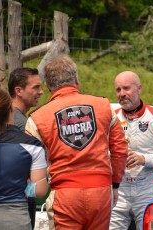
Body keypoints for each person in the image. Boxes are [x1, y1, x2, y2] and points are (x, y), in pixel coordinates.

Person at [25, 54, 128, 230]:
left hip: (64, 195)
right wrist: (115, 184)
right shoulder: (103, 106)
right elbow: (120, 149)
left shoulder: (37, 118)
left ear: (48, 86)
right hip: (101, 191)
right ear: (76, 80)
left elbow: (29, 162)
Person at [110, 71, 153, 230]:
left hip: (147, 189)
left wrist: (143, 159)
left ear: (139, 89)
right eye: (118, 90)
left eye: (126, 88)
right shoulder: (111, 118)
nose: (121, 94)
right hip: (118, 189)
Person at [0, 87, 48, 230]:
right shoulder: (31, 145)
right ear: (11, 109)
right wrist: (20, 187)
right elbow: (39, 190)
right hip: (15, 219)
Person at [8, 67, 44, 229]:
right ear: (19, 91)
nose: (41, 92)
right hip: (18, 202)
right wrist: (30, 193)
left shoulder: (11, 117)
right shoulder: (21, 124)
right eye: (35, 87)